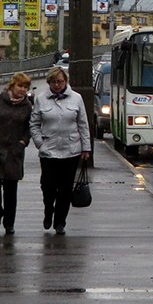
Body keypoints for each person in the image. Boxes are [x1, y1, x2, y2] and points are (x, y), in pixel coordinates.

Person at [29, 66, 91, 235]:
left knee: (65, 188)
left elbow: (83, 124)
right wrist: (39, 143)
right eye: (54, 82)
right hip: (49, 150)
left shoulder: (76, 98)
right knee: (48, 186)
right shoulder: (41, 99)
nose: (57, 85)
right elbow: (34, 124)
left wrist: (86, 148)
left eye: (60, 81)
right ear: (49, 83)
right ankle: (48, 210)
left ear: (66, 82)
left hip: (71, 150)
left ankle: (60, 222)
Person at [0, 72, 34, 234]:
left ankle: (9, 223)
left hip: (14, 152)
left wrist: (23, 142)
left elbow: (30, 126)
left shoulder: (27, 106)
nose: (23, 90)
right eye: (20, 86)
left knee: (10, 189)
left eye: (26, 87)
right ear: (12, 85)